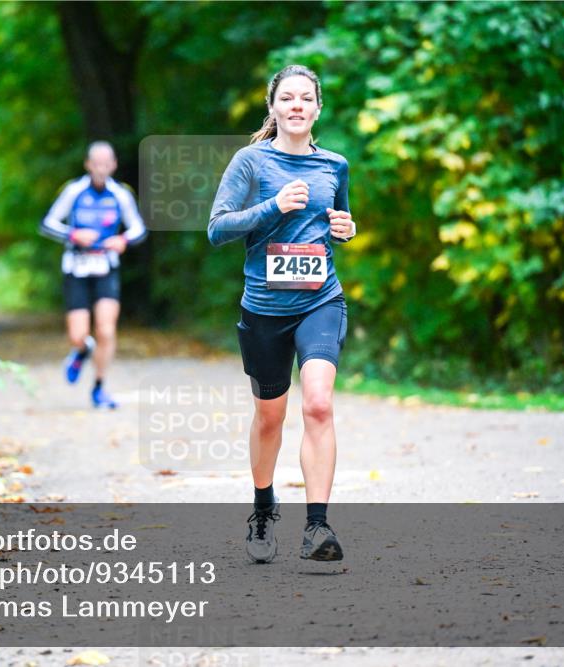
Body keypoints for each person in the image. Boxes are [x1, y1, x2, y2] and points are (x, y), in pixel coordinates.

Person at [207, 65, 357, 563]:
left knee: (318, 405)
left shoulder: (334, 165)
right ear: (272, 107)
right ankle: (264, 507)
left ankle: (317, 527)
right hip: (265, 308)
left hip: (320, 300)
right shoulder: (250, 162)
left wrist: (345, 228)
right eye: (286, 98)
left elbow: (338, 220)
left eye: (305, 98)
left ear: (318, 108)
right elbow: (218, 229)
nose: (296, 106)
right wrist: (272, 206)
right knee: (270, 417)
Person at [40, 141, 147, 409]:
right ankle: (81, 350)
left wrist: (122, 240)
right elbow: (47, 223)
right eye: (96, 164)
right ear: (88, 165)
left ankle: (99, 387)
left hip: (105, 268)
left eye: (106, 163)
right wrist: (73, 234)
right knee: (78, 334)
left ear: (113, 165)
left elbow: (138, 228)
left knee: (107, 330)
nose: (101, 169)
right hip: (76, 267)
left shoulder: (120, 194)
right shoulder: (73, 191)